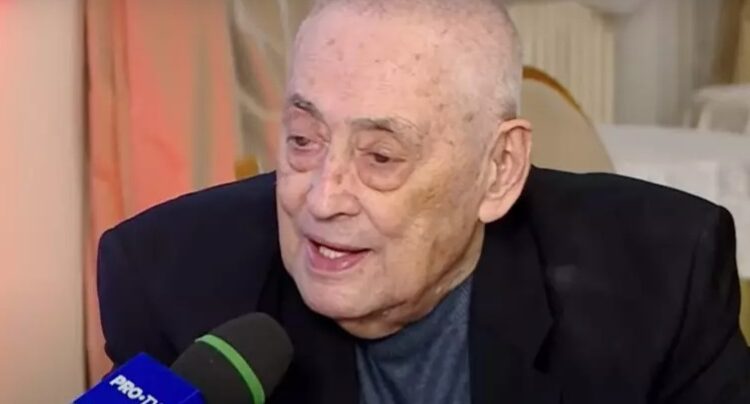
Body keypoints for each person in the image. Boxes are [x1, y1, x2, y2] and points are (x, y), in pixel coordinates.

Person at [97, 0, 750, 402]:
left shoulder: (662, 279)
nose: (322, 198)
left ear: (498, 170)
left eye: (381, 157)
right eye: (303, 140)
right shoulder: (166, 279)